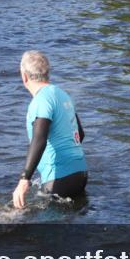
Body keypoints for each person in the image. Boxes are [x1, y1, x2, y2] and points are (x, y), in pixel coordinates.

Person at [12, 50, 87, 208]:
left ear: (24, 76)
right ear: (47, 73)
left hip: (59, 178)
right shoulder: (62, 94)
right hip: (81, 173)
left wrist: (24, 179)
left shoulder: (41, 100)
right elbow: (80, 134)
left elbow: (39, 140)